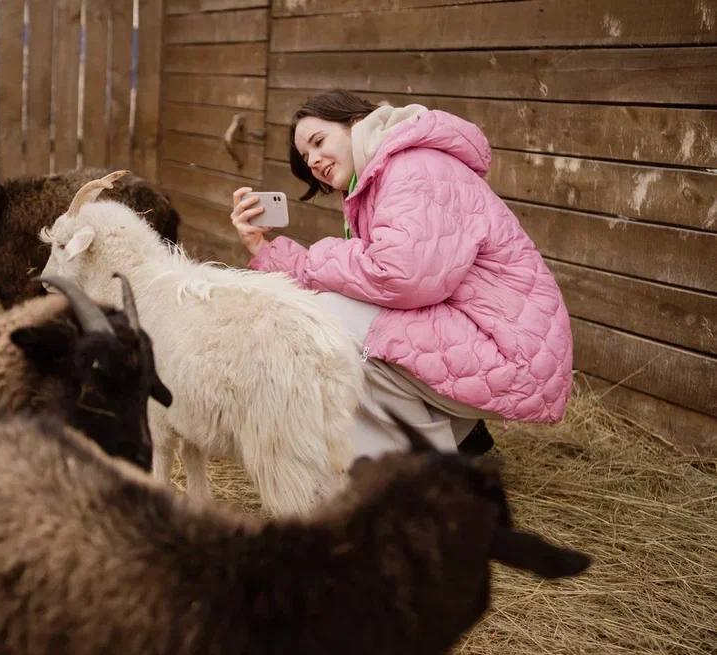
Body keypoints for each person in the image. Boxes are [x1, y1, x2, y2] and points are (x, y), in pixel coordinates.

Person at [230, 90, 572, 458]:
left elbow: (399, 275)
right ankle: (458, 440)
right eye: (305, 156)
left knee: (328, 323)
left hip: (512, 352)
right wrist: (263, 250)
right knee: (346, 325)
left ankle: (424, 466)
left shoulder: (413, 168)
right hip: (491, 336)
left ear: (355, 124)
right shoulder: (382, 175)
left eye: (318, 141)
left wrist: (309, 260)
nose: (313, 160)